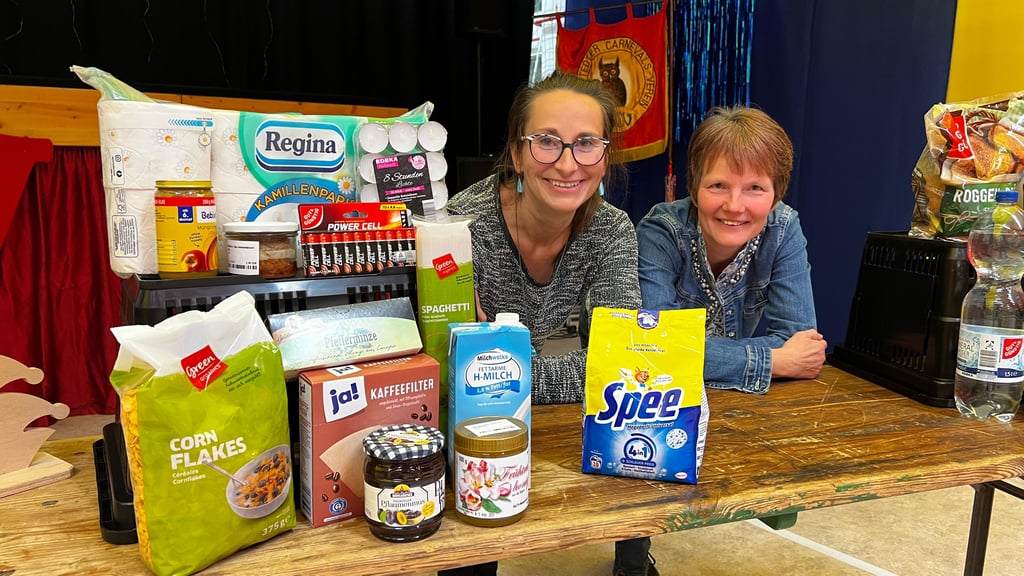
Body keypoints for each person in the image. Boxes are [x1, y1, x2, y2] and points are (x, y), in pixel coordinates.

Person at [439, 70, 643, 576]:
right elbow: (462, 383)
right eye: (547, 142)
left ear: (605, 154)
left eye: (586, 143)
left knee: (638, 433)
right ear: (515, 152)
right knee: (472, 531)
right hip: (463, 426)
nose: (568, 163)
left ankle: (634, 565)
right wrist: (573, 371)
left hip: (531, 413)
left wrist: (514, 370)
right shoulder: (462, 229)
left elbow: (622, 364)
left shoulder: (612, 229)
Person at [618, 105, 828, 572]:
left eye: (755, 188)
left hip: (737, 400)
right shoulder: (660, 231)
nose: (735, 205)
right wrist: (772, 361)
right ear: (694, 186)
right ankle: (631, 562)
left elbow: (803, 343)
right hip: (654, 398)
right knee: (638, 442)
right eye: (718, 186)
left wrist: (726, 358)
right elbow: (653, 350)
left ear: (776, 195)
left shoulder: (784, 228)